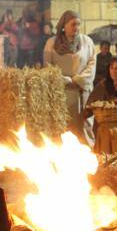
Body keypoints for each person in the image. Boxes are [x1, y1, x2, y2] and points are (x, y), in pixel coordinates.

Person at [43, 10, 95, 143]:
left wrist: (76, 80)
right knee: (62, 127)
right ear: (64, 25)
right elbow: (48, 66)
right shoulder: (52, 43)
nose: (76, 28)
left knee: (83, 127)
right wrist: (61, 80)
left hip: (80, 92)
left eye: (78, 24)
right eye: (73, 24)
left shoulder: (87, 42)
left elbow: (91, 64)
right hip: (61, 92)